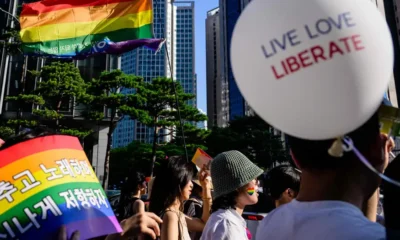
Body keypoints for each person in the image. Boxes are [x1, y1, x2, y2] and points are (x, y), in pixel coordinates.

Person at [256, 112, 394, 240]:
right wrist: (377, 164)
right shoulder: (375, 236)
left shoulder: (271, 223)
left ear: (295, 157)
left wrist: (376, 158)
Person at [201, 150, 263, 240]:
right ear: (237, 186)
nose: (257, 185)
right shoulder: (228, 224)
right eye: (254, 179)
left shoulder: (225, 220)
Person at [149, 156, 212, 240]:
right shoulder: (171, 216)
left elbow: (204, 224)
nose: (192, 185)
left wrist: (205, 187)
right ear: (179, 180)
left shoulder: (176, 214)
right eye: (188, 180)